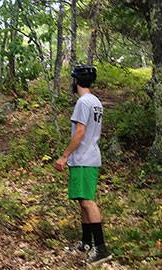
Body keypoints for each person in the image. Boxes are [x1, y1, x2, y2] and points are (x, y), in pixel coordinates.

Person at [55, 64, 112, 266]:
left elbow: (80, 132)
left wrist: (64, 156)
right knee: (82, 200)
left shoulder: (83, 102)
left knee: (88, 201)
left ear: (76, 81)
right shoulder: (95, 101)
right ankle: (86, 243)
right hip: (89, 156)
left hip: (84, 158)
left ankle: (102, 249)